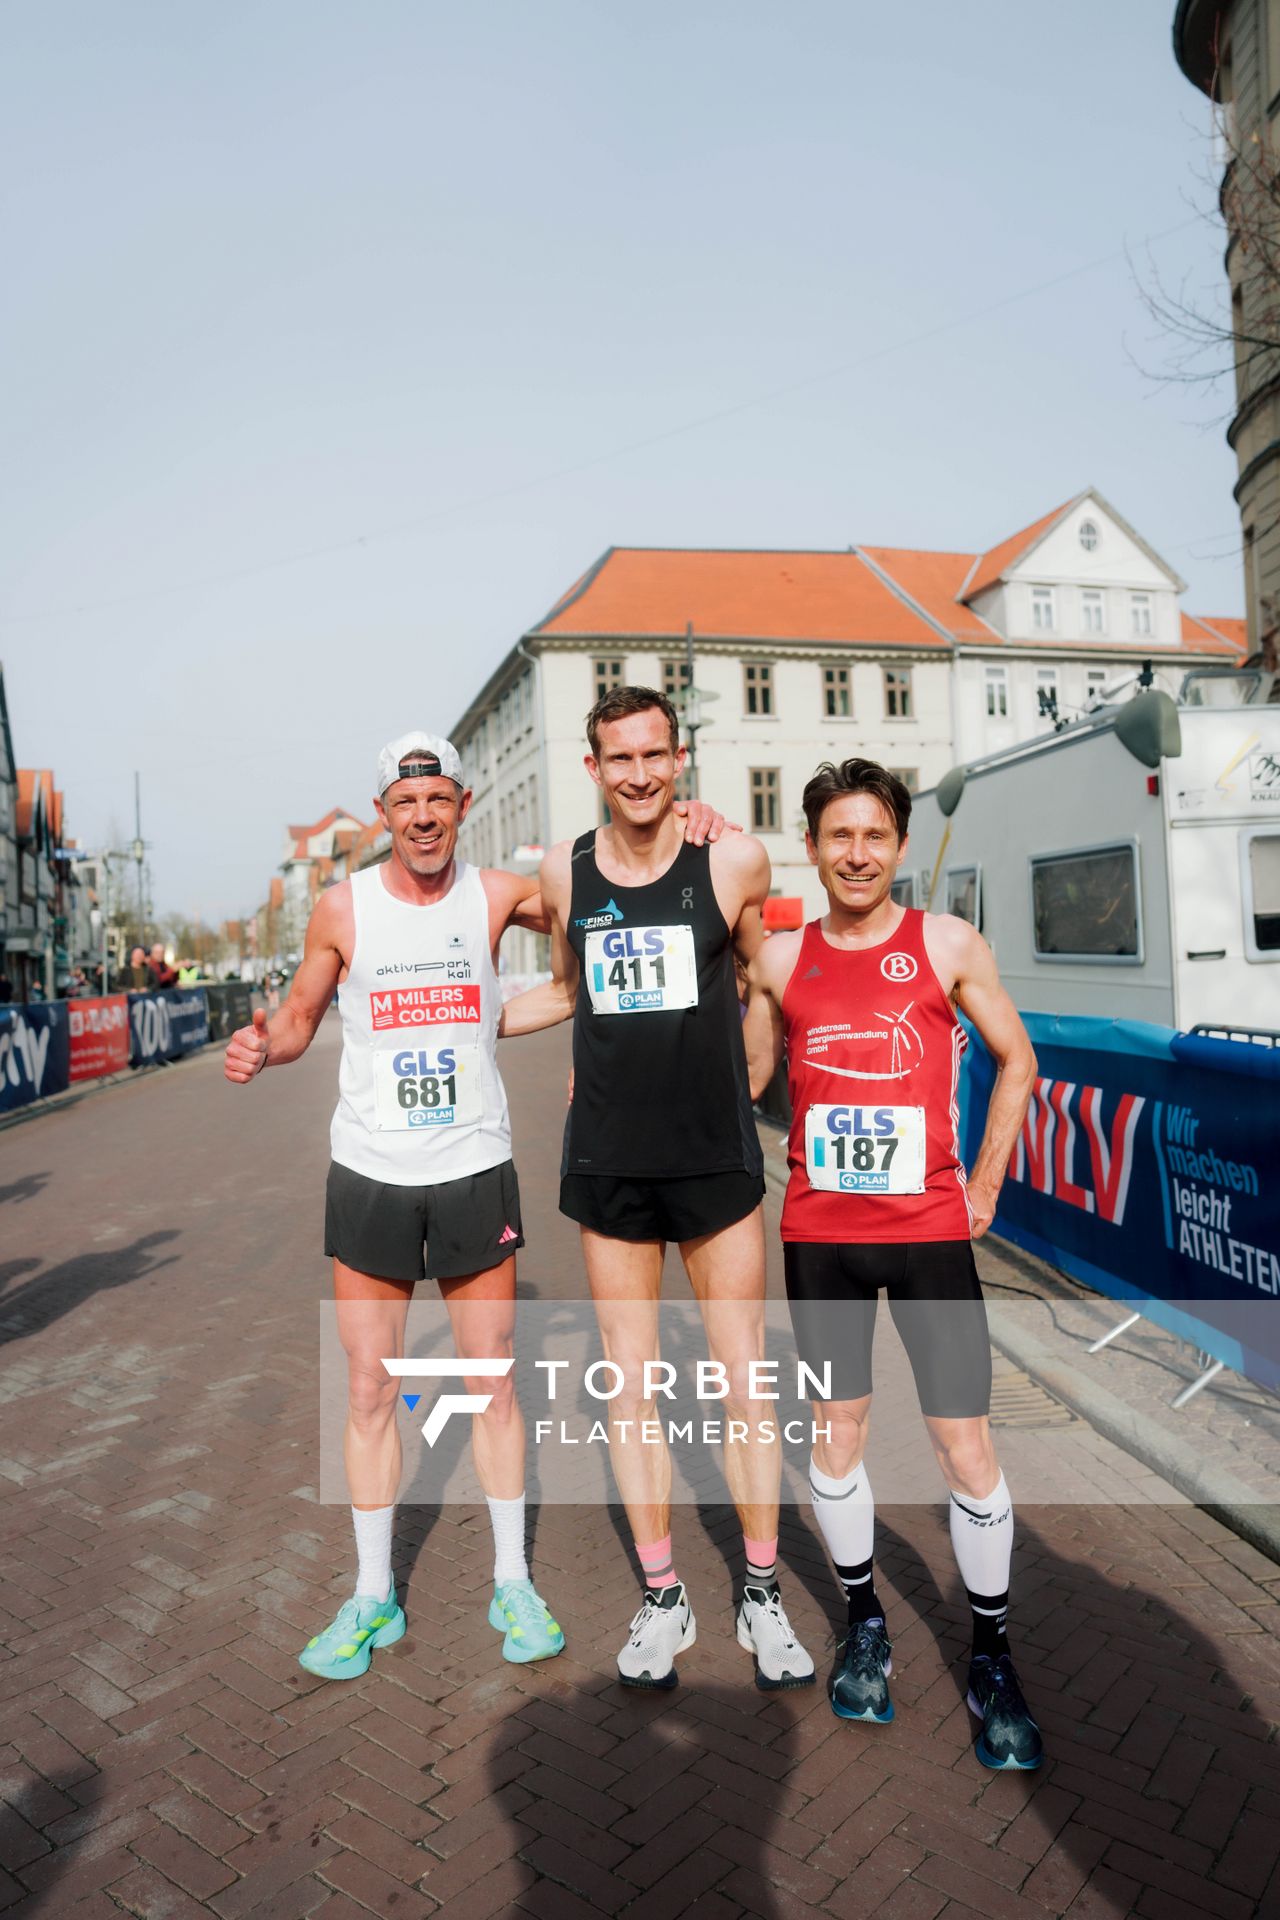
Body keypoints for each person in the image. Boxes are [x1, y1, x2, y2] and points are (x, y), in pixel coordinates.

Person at [225, 730, 727, 1683]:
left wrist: (692, 829)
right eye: (406, 804)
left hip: (472, 1167)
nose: (424, 818)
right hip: (371, 1171)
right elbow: (297, 1013)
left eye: (440, 801)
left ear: (460, 806)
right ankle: (372, 1594)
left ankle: (513, 1582)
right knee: (371, 1387)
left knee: (490, 1379)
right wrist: (265, 1046)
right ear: (385, 815)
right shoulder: (343, 907)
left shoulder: (497, 895)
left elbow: (623, 890)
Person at [503, 686, 815, 1693]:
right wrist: (457, 1023)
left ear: (678, 758)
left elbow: (766, 980)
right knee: (628, 1391)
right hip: (608, 1160)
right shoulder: (561, 872)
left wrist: (757, 1074)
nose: (637, 773)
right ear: (590, 769)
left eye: (653, 754)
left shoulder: (732, 860)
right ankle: (664, 1598)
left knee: (742, 1382)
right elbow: (568, 984)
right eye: (616, 758)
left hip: (717, 1163)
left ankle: (759, 1594)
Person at [744, 757, 1042, 1769]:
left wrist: (987, 1186)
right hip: (819, 1238)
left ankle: (991, 1654)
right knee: (836, 1432)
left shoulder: (947, 943)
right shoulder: (782, 963)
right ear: (813, 847)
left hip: (927, 1237)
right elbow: (745, 1079)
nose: (857, 853)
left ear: (899, 846)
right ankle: (864, 1622)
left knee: (965, 1448)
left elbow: (1017, 1058)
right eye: (837, 835)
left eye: (874, 835)